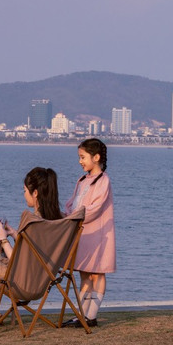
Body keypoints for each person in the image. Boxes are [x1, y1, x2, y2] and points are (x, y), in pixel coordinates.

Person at [0, 166, 63, 328]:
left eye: (25, 190)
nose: (24, 194)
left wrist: (3, 239)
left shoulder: (31, 221)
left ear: (35, 193)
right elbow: (34, 251)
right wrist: (14, 233)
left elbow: (17, 261)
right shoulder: (57, 221)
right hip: (42, 283)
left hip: (22, 284)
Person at [62, 138, 115, 327]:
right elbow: (72, 203)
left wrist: (74, 216)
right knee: (84, 273)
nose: (80, 161)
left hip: (99, 234)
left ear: (96, 157)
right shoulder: (82, 180)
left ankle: (91, 316)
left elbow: (95, 208)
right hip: (82, 233)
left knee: (97, 273)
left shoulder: (103, 180)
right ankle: (82, 314)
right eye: (79, 157)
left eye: (83, 157)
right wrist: (65, 215)